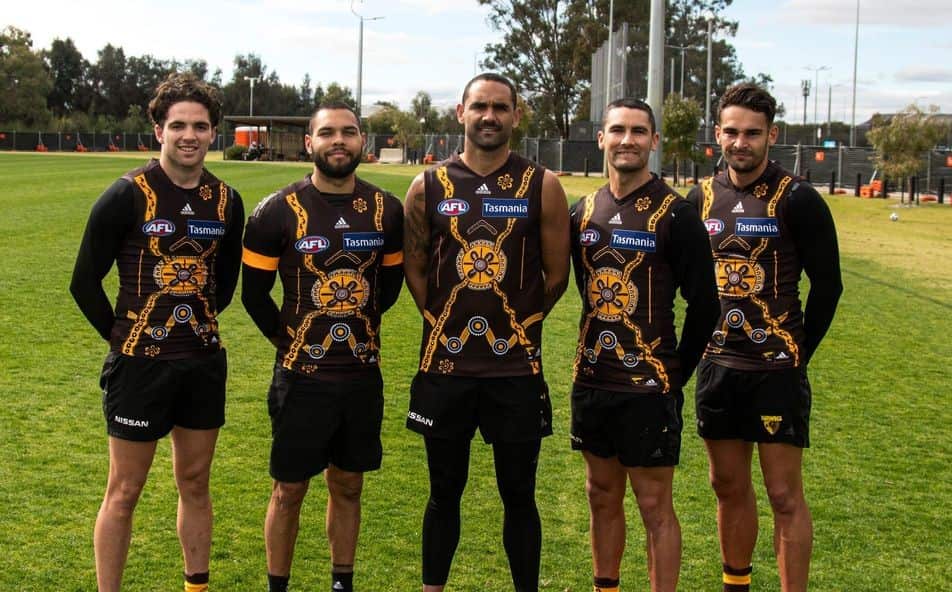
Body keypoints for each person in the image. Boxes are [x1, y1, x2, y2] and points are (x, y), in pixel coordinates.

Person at [70, 72, 244, 592]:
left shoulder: (227, 201)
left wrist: (191, 334)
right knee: (124, 490)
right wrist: (125, 338)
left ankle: (196, 586)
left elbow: (225, 286)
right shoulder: (127, 194)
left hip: (202, 363)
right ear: (158, 129)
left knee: (195, 482)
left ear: (214, 132)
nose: (188, 135)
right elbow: (83, 283)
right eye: (178, 125)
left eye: (200, 125)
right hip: (139, 367)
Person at [402, 72, 570, 592]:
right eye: (480, 106)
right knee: (442, 492)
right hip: (445, 368)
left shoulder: (541, 185)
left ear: (516, 115)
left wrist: (514, 321)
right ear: (461, 113)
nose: (489, 116)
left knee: (519, 494)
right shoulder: (427, 185)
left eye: (500, 107)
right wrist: (443, 317)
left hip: (515, 369)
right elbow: (416, 268)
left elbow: (557, 275)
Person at [685, 83, 843, 592]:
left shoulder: (798, 199)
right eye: (731, 131)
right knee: (726, 485)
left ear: (771, 135)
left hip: (776, 371)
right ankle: (737, 585)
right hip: (718, 366)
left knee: (783, 494)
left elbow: (828, 286)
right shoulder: (699, 197)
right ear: (718, 134)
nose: (741, 142)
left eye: (753, 133)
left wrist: (798, 353)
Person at [241, 102, 404, 592]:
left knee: (349, 485)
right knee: (289, 489)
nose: (339, 141)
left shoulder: (386, 210)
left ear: (362, 142)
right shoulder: (276, 211)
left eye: (348, 132)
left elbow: (390, 287)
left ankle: (341, 583)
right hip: (300, 378)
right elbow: (253, 295)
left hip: (359, 375)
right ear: (309, 143)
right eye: (328, 133)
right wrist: (289, 343)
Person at [569, 98, 719, 592]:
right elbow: (582, 288)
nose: (627, 140)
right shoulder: (582, 212)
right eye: (617, 130)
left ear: (654, 141)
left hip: (650, 386)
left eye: (638, 131)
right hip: (593, 379)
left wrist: (675, 373)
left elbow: (705, 306)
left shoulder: (677, 213)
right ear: (602, 139)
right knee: (600, 494)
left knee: (655, 505)